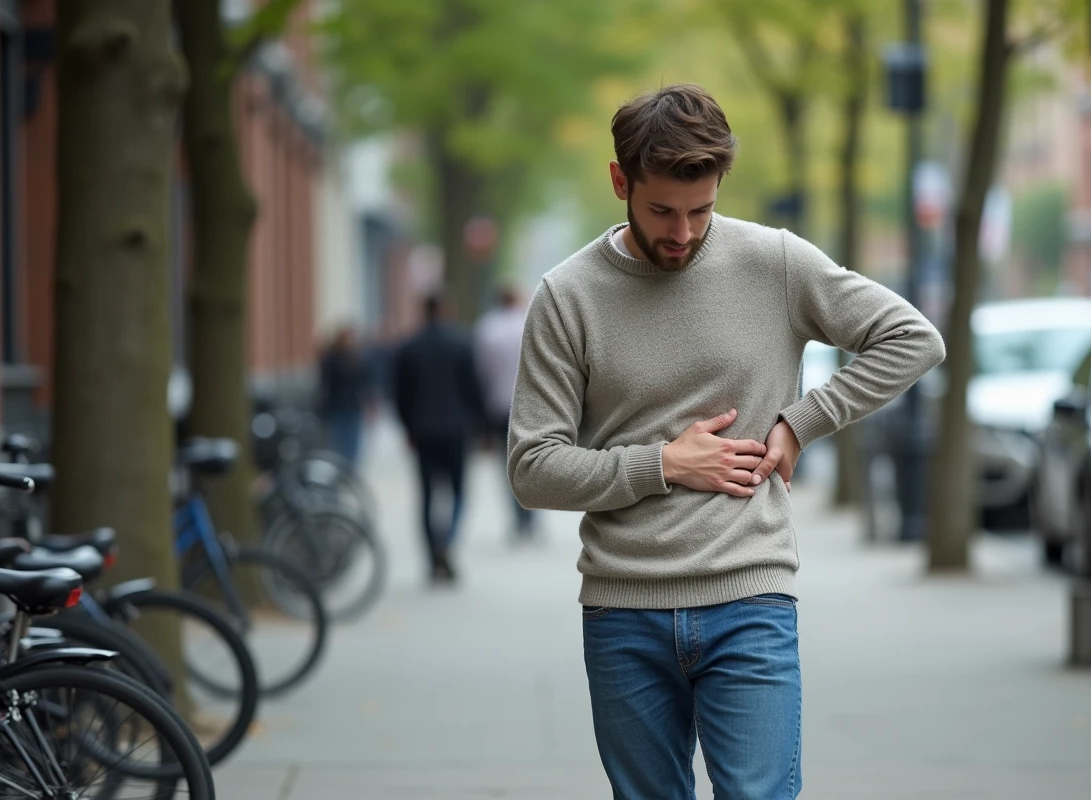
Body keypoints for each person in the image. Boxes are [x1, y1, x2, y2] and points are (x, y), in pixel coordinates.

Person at [507, 84, 946, 799]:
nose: (683, 232)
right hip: (624, 610)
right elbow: (532, 468)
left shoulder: (774, 262)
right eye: (662, 211)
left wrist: (801, 422)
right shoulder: (568, 295)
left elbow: (912, 338)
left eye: (701, 210)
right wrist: (662, 464)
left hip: (750, 598)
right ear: (620, 181)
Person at [393, 294, 486, 585]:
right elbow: (474, 388)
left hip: (423, 431)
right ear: (445, 310)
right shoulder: (461, 343)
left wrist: (407, 427)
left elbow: (399, 394)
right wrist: (480, 426)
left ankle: (433, 552)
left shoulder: (409, 347)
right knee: (458, 492)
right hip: (456, 430)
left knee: (427, 496)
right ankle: (447, 543)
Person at [474, 284, 535, 540]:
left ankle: (516, 515)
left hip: (498, 406)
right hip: (529, 404)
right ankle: (530, 516)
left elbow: (482, 371)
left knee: (507, 464)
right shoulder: (528, 322)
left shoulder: (487, 329)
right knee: (532, 459)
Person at [317, 324, 372, 466]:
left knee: (352, 443)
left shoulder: (357, 359)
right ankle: (342, 468)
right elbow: (326, 384)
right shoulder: (331, 359)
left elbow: (364, 384)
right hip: (337, 407)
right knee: (339, 443)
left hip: (353, 406)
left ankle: (349, 469)